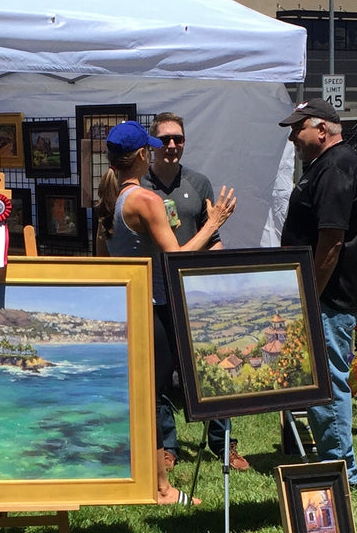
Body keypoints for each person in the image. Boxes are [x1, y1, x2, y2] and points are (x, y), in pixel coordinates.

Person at [95, 120, 236, 505]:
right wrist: (214, 223)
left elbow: (101, 263)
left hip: (128, 308)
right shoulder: (146, 200)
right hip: (153, 311)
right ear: (142, 155)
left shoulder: (110, 200)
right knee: (153, 396)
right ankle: (160, 488)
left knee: (145, 397)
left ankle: (148, 480)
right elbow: (178, 259)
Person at [142, 112, 248, 471]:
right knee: (158, 375)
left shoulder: (199, 183)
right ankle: (166, 447)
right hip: (154, 295)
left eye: (179, 139)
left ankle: (223, 445)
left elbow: (212, 239)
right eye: (165, 139)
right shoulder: (140, 187)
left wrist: (219, 285)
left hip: (194, 294)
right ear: (153, 144)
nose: (172, 145)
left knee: (212, 372)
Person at [278, 99, 357, 489]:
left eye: (297, 129)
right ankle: (335, 463)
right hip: (324, 297)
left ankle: (339, 473)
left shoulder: (334, 168)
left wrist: (310, 299)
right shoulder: (329, 166)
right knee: (324, 379)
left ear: (321, 129)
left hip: (327, 299)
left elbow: (330, 243)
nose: (292, 136)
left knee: (329, 383)